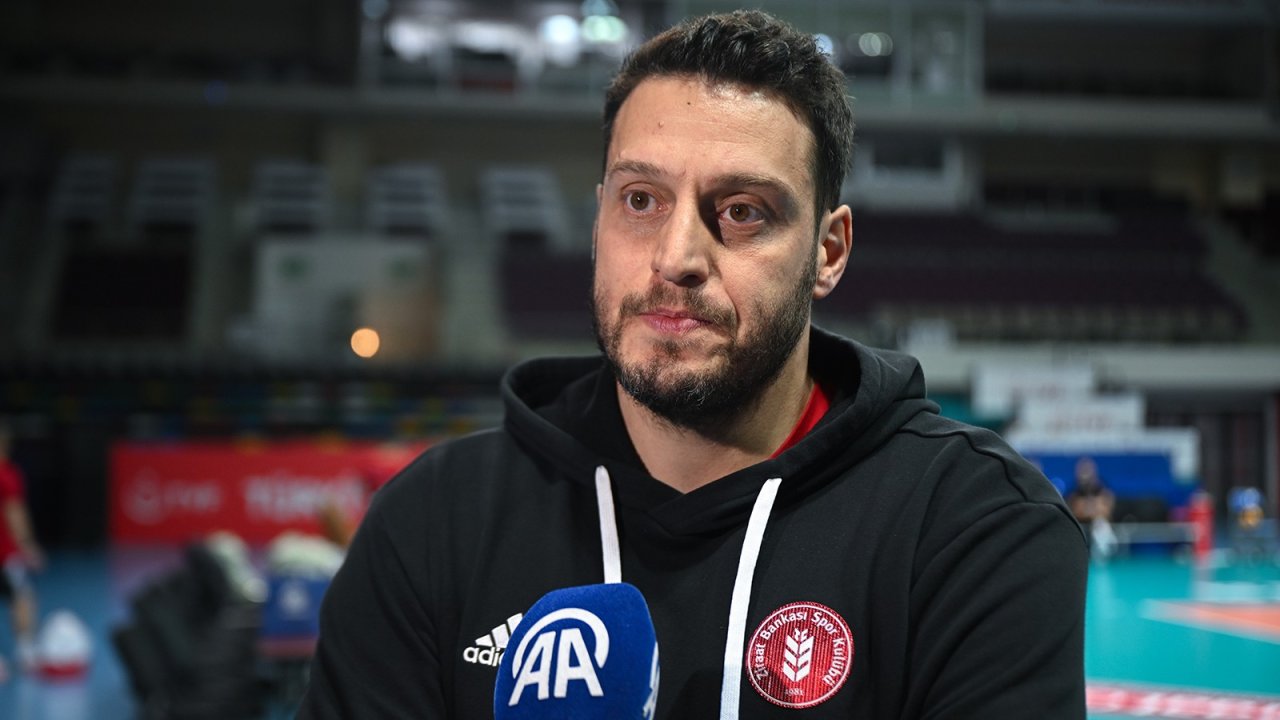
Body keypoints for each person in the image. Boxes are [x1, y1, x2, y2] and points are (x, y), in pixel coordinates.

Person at [299, 10, 1087, 718]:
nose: (677, 257)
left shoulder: (972, 527)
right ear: (599, 220)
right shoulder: (433, 524)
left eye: (742, 212)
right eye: (641, 200)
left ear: (828, 251)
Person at [0, 422, 43, 682]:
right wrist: (27, 545)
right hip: (5, 555)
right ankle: (27, 654)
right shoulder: (7, 474)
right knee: (22, 597)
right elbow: (14, 512)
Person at [1067, 456, 1117, 559]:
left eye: (1088, 470)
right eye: (1082, 470)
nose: (1085, 474)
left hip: (1098, 525)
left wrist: (1088, 509)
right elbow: (1076, 512)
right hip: (1080, 526)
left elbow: (1106, 511)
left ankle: (1103, 555)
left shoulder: (1102, 488)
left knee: (1100, 523)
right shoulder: (1074, 492)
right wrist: (1093, 509)